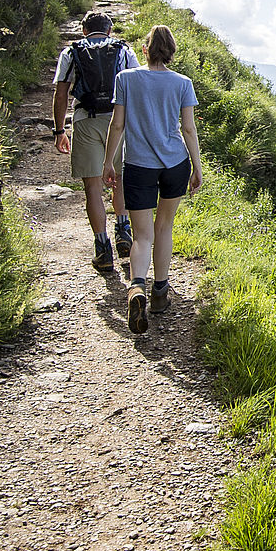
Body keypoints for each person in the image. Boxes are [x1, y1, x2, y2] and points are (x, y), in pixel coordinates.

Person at [103, 25, 203, 334]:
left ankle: (136, 288)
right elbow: (187, 129)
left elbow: (117, 125)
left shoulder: (126, 79)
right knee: (165, 227)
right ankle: (160, 293)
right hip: (175, 163)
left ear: (145, 50)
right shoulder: (182, 84)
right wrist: (197, 166)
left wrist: (108, 162)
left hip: (138, 166)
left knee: (142, 234)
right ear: (172, 52)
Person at [53, 12, 137, 269]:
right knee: (120, 179)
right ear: (109, 30)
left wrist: (59, 131)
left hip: (85, 119)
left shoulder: (71, 52)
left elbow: (61, 92)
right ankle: (123, 231)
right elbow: (136, 85)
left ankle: (102, 250)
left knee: (93, 187)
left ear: (83, 29)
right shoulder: (124, 50)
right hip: (118, 121)